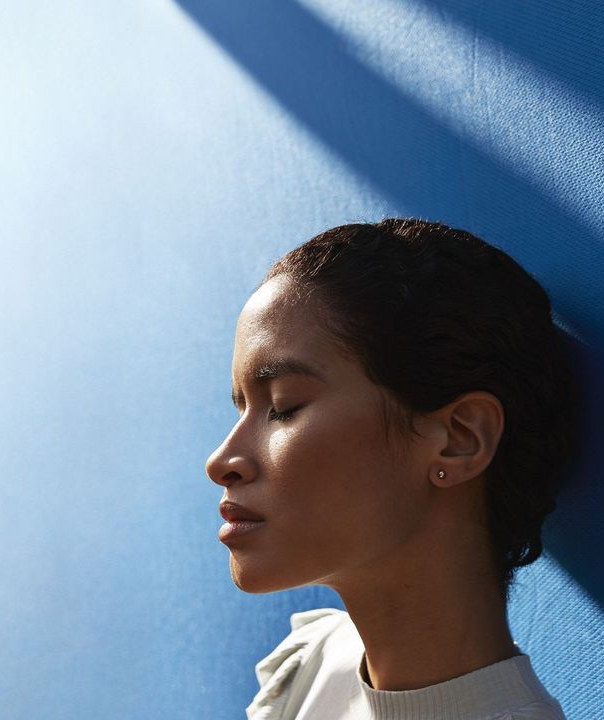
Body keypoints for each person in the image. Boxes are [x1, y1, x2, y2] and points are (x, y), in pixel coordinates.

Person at [206, 218, 580, 719]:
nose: (222, 461)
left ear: (459, 439)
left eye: (283, 406)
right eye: (240, 409)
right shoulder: (316, 667)